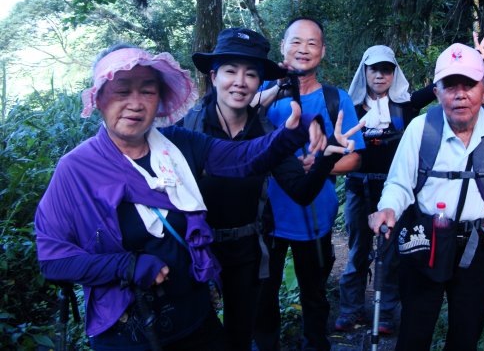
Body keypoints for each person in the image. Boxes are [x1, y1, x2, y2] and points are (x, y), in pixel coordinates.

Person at [34, 45, 332, 351]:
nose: (135, 104)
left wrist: (290, 133)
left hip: (195, 317)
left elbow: (242, 158)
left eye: (148, 92)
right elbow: (53, 259)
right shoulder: (77, 169)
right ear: (99, 99)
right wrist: (126, 265)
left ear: (159, 99)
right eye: (122, 91)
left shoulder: (177, 145)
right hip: (129, 333)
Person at [181, 27, 361, 351]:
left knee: (250, 326)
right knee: (199, 331)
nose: (240, 81)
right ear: (213, 75)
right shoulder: (188, 129)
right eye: (231, 71)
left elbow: (301, 189)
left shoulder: (267, 131)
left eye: (250, 73)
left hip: (251, 248)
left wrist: (324, 160)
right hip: (197, 251)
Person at [368, 42, 484, 351]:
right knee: (414, 329)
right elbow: (400, 182)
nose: (460, 93)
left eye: (469, 84)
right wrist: (388, 207)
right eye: (449, 85)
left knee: (466, 333)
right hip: (424, 238)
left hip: (476, 244)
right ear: (437, 92)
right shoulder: (420, 129)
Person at [253, 17, 366, 351]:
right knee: (263, 296)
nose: (303, 49)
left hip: (316, 215)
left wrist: (322, 164)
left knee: (314, 295)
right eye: (296, 41)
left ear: (323, 51)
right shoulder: (260, 94)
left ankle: (315, 345)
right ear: (283, 46)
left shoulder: (336, 98)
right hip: (265, 218)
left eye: (312, 43)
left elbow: (355, 156)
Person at [335, 45, 436, 334]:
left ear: (394, 73)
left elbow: (436, 87)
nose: (380, 75)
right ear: (364, 71)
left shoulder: (405, 105)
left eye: (386, 70)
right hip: (359, 189)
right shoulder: (350, 108)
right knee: (358, 251)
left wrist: (474, 60)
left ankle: (387, 313)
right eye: (374, 69)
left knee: (392, 254)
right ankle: (350, 309)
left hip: (395, 193)